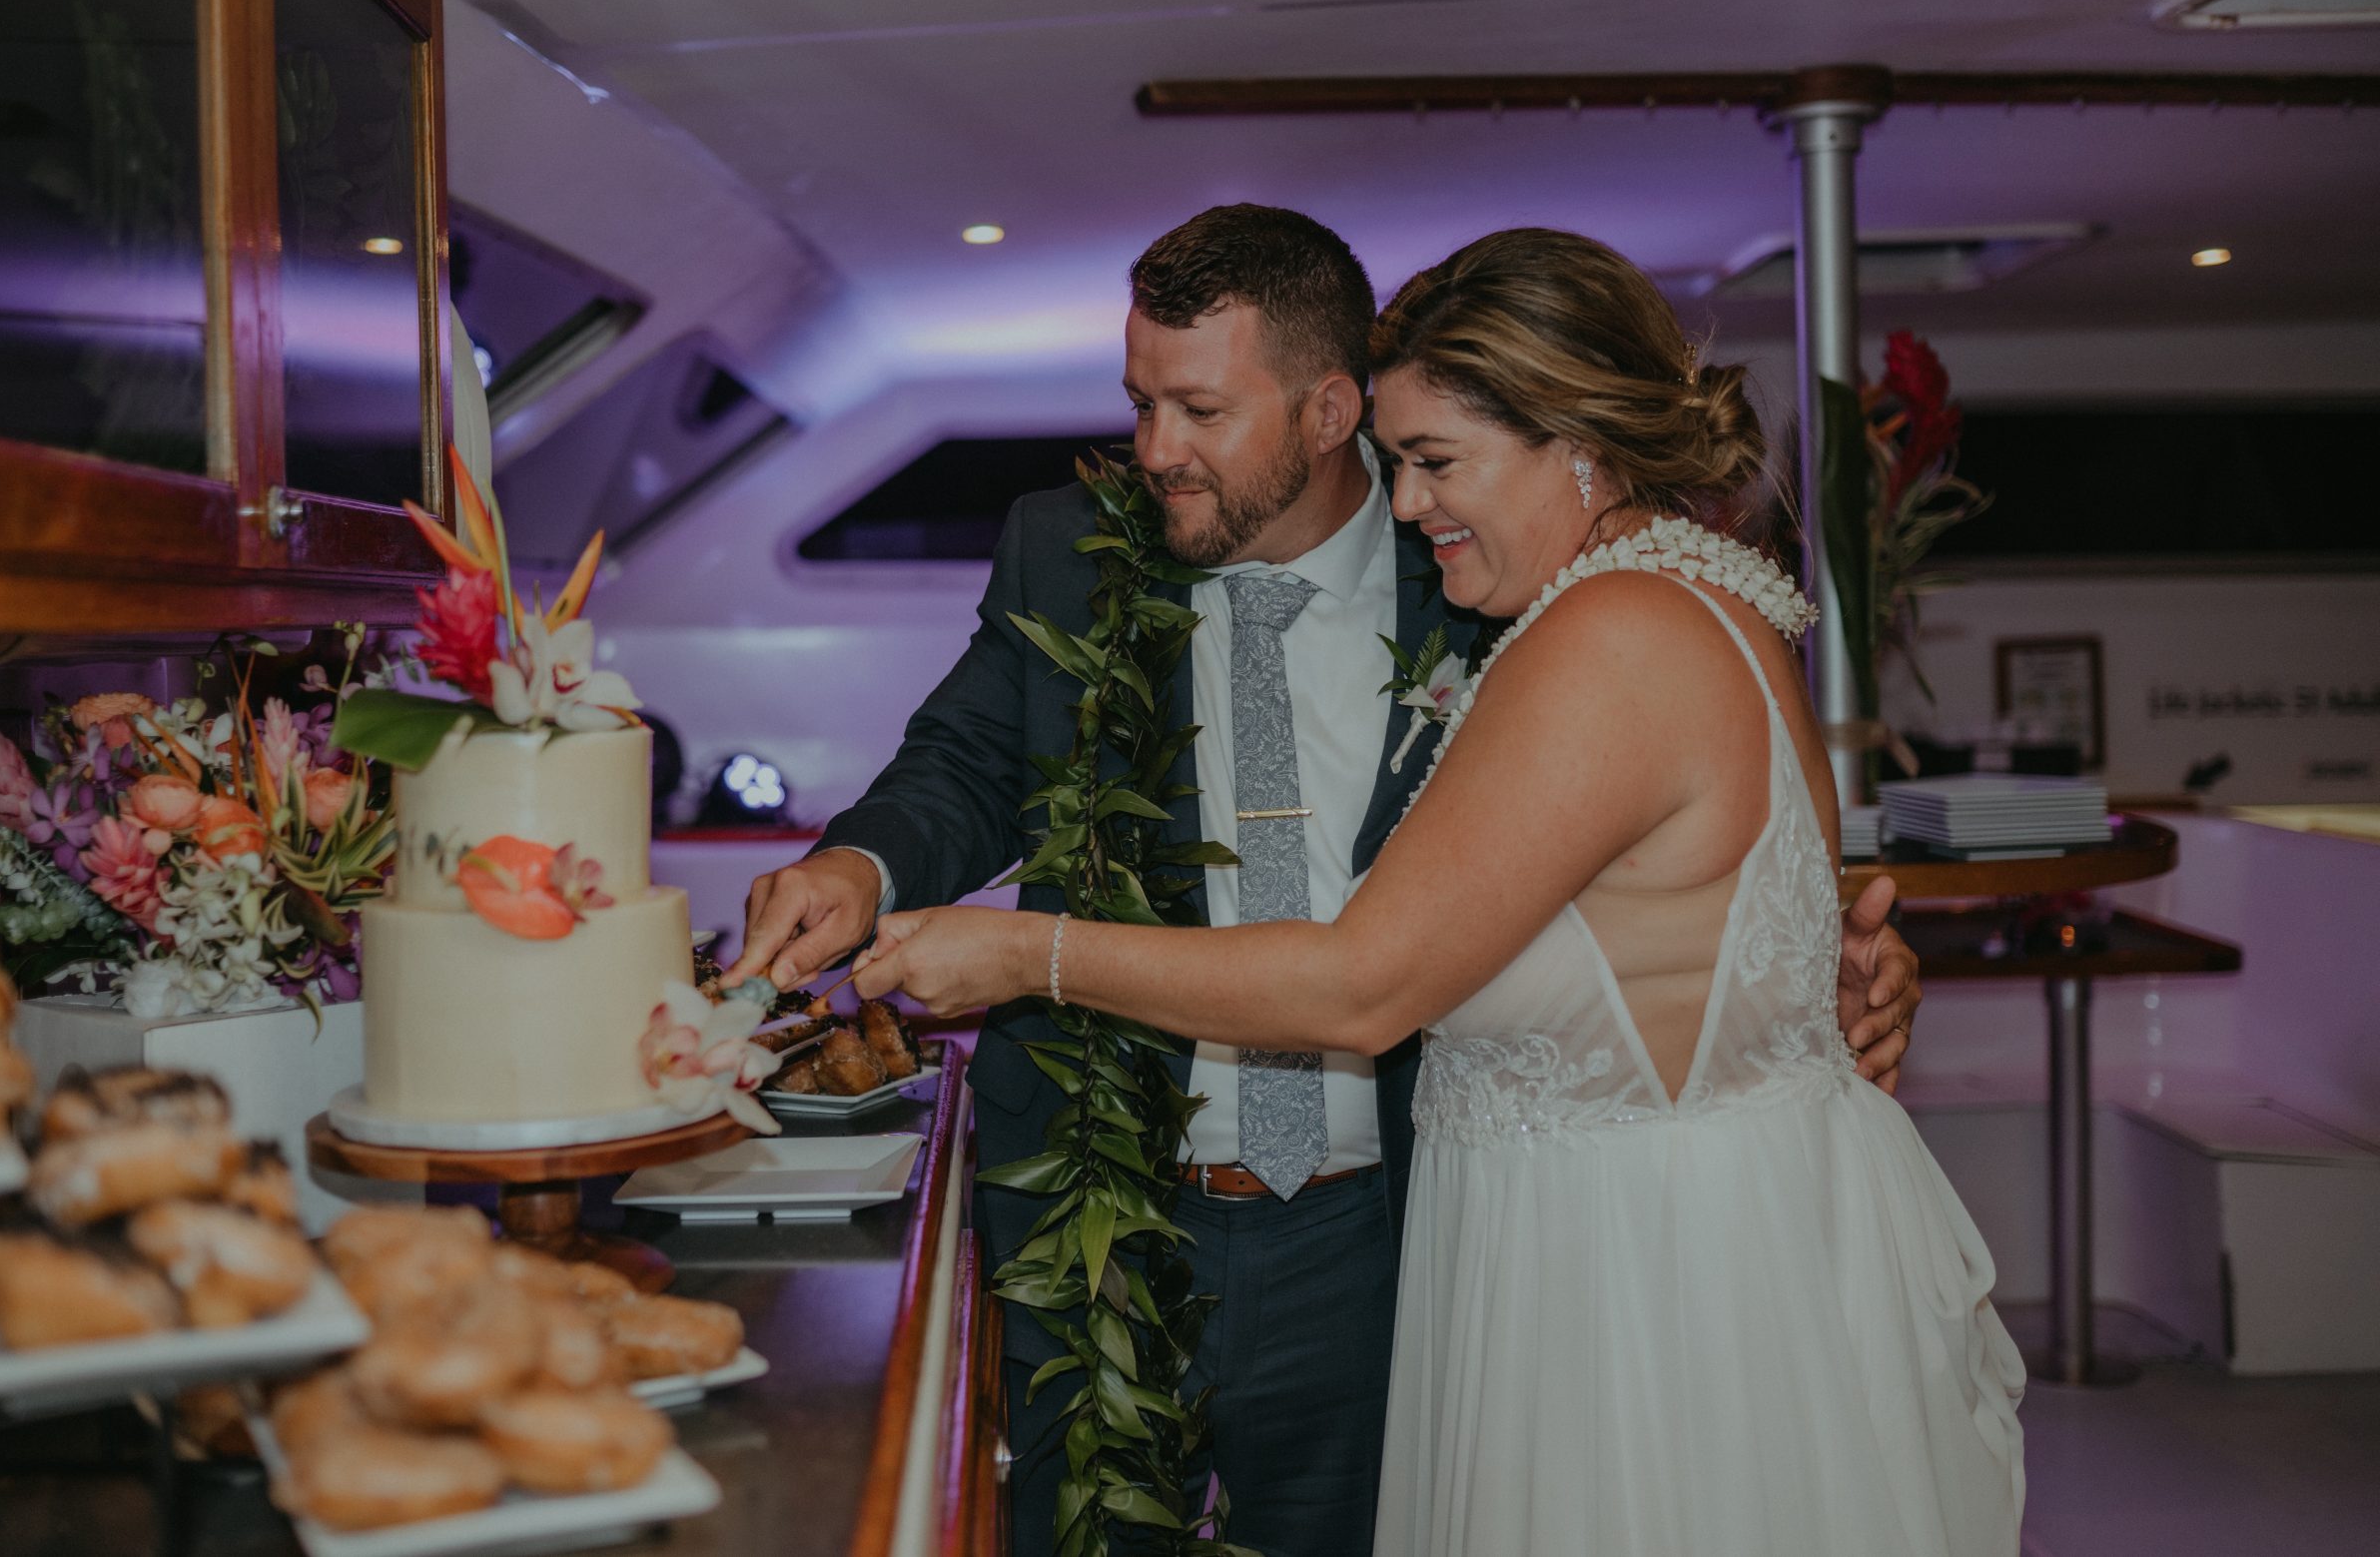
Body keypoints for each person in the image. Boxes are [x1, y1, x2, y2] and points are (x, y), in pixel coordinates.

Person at [729, 209, 1932, 1556]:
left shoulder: (1498, 579)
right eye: (1139, 404)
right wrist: (858, 858)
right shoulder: (1072, 551)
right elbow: (965, 757)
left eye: (1199, 408)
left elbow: (1428, 955)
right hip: (1127, 1212)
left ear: (1325, 411)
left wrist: (1025, 950)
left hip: (1396, 1224)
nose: (1153, 450)